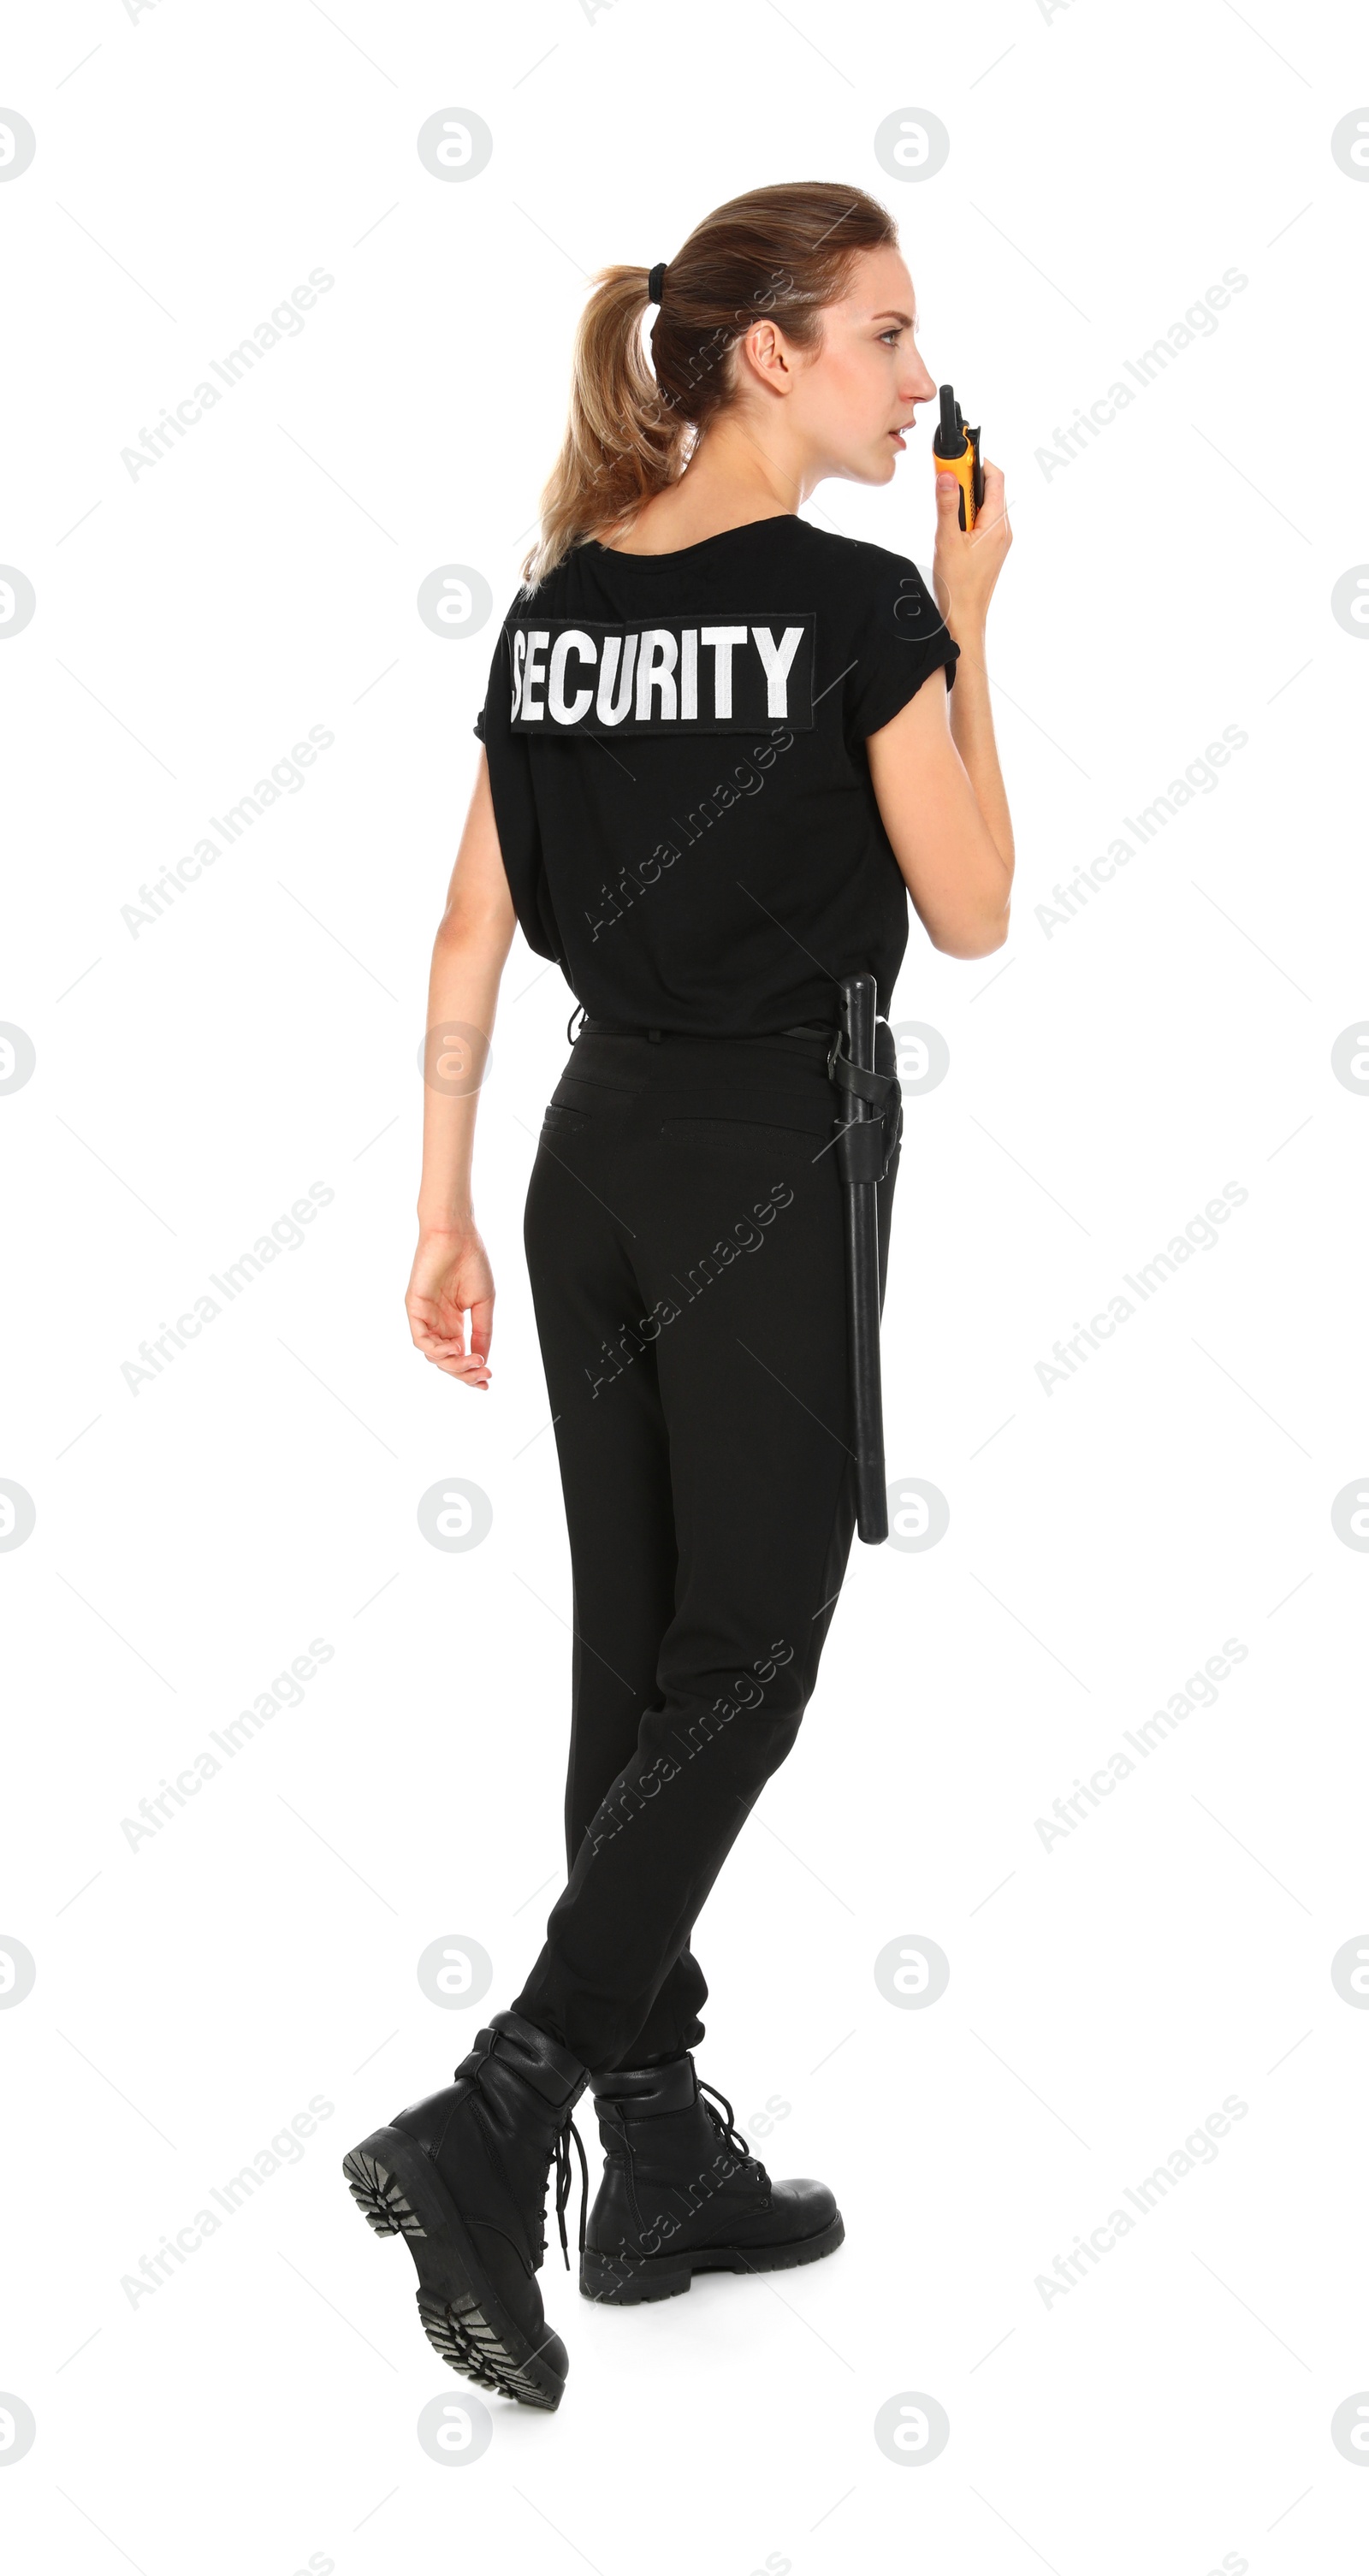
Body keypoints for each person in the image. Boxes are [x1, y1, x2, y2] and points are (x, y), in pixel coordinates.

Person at [342, 181, 1014, 2412]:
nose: (919, 378)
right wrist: (969, 616)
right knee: (748, 1655)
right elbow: (978, 899)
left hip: (580, 1153)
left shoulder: (553, 612)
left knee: (635, 1660)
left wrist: (439, 1205)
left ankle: (652, 2146)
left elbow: (468, 934)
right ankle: (506, 2103)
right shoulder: (850, 611)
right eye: (887, 335)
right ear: (768, 358)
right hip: (765, 1153)